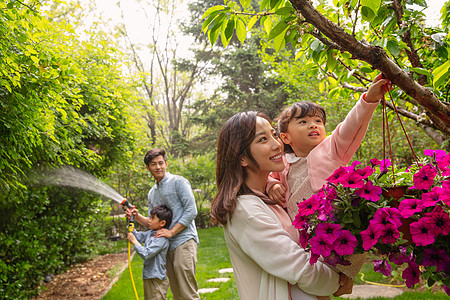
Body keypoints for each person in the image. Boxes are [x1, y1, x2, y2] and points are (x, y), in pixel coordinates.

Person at [211, 111, 353, 300]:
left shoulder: (270, 198)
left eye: (274, 135)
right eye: (262, 139)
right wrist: (338, 281)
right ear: (241, 158)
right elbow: (300, 268)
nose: (277, 144)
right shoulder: (246, 210)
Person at [267, 74, 392, 221]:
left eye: (318, 121)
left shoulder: (332, 148)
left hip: (332, 224)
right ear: (286, 137)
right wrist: (272, 186)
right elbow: (265, 177)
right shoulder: (283, 162)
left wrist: (368, 100)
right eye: (303, 122)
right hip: (298, 229)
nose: (313, 125)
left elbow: (350, 127)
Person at [126, 148, 200, 300]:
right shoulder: (152, 192)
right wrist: (136, 216)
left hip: (183, 241)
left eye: (161, 163)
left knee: (187, 293)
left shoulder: (178, 182)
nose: (158, 167)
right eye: (153, 164)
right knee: (177, 293)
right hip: (165, 246)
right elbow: (152, 223)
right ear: (148, 167)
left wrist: (172, 232)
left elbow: (191, 211)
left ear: (166, 164)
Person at [127, 204, 173, 300]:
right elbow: (137, 236)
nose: (149, 221)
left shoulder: (161, 239)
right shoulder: (150, 233)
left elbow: (146, 254)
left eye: (152, 218)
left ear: (162, 223)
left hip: (156, 279)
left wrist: (134, 242)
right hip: (149, 276)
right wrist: (130, 220)